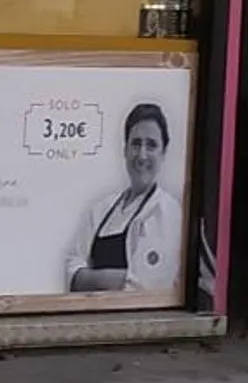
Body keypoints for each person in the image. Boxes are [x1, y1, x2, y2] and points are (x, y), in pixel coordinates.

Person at [65, 102, 185, 294]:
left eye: (151, 145)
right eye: (136, 144)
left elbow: (148, 287)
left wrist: (90, 278)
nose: (142, 155)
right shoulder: (99, 210)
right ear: (125, 150)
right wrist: (115, 278)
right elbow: (71, 271)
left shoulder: (171, 215)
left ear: (163, 153)